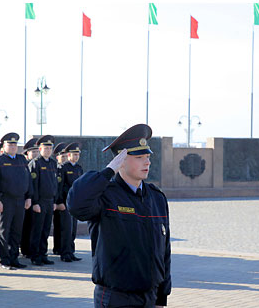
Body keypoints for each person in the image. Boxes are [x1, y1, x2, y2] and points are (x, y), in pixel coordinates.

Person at [69, 120, 171, 308]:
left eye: (147, 156)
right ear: (120, 161)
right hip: (116, 297)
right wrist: (108, 171)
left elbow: (164, 251)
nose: (147, 161)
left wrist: (161, 297)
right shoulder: (105, 194)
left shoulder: (156, 198)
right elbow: (76, 205)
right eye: (139, 157)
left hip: (149, 297)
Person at [0, 133, 32, 269]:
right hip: (5, 200)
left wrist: (28, 197)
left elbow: (28, 180)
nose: (13, 147)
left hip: (20, 200)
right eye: (10, 144)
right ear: (4, 146)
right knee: (4, 231)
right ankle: (4, 260)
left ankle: (14, 258)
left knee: (16, 231)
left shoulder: (22, 160)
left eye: (15, 144)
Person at [29, 138, 58, 263]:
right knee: (37, 229)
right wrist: (35, 202)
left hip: (49, 201)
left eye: (50, 148)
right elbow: (33, 185)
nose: (48, 150)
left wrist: (55, 201)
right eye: (45, 148)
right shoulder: (36, 163)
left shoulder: (52, 163)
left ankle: (43, 254)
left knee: (46, 229)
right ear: (40, 149)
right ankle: (35, 256)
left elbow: (55, 183)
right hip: (39, 201)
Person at [54, 145, 81, 261]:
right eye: (74, 154)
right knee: (66, 229)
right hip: (65, 202)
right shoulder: (63, 167)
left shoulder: (79, 168)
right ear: (69, 155)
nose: (76, 156)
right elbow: (59, 187)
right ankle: (64, 253)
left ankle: (71, 251)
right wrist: (60, 201)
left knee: (73, 229)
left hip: (75, 203)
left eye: (78, 154)